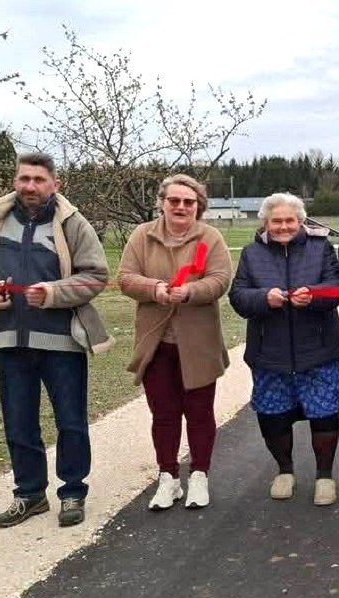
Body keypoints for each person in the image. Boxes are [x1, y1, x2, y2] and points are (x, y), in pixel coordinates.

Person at [0, 152, 113, 528]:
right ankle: (29, 495)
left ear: (54, 184)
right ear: (15, 181)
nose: (31, 186)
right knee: (18, 422)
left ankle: (73, 492)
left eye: (39, 179)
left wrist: (54, 292)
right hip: (10, 339)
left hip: (62, 341)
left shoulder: (72, 223)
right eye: (24, 178)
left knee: (71, 422)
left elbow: (95, 275)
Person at [118, 174, 232, 511]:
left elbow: (221, 279)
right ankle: (168, 477)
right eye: (174, 201)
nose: (181, 207)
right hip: (157, 342)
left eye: (189, 202)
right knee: (163, 414)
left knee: (199, 412)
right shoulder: (142, 235)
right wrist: (154, 289)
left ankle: (199, 475)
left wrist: (190, 292)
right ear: (162, 203)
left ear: (199, 206)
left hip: (198, 342)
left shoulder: (210, 238)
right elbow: (125, 277)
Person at [230, 193, 339, 506]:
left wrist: (314, 295)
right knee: (273, 416)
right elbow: (238, 296)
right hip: (269, 352)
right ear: (266, 223)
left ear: (300, 222)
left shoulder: (321, 248)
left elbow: (337, 287)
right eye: (276, 221)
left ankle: (324, 475)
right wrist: (264, 299)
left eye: (289, 221)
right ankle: (285, 470)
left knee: (324, 415)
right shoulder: (251, 253)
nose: (283, 226)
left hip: (318, 349)